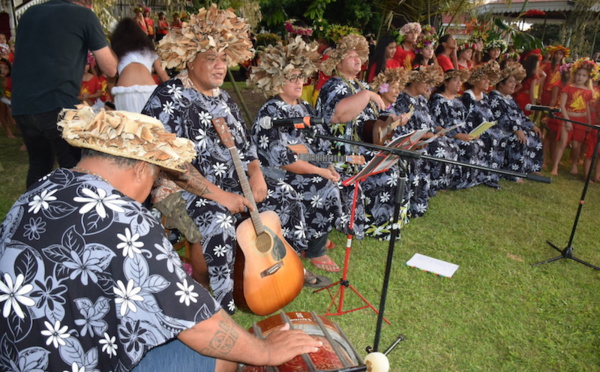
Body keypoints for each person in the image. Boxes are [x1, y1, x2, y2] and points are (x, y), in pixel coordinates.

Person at [0, 105, 322, 372]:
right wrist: (265, 351)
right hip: (81, 362)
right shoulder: (124, 219)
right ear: (142, 169)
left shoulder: (39, 191)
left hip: (18, 355)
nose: (151, 191)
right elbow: (196, 323)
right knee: (223, 356)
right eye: (155, 179)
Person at [142, 5, 307, 313]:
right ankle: (221, 302)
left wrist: (256, 173)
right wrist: (222, 196)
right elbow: (167, 163)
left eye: (223, 59)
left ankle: (282, 270)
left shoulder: (223, 97)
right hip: (182, 188)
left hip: (232, 180)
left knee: (287, 194)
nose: (220, 67)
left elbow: (246, 147)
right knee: (218, 221)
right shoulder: (168, 97)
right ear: (190, 61)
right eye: (210, 58)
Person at [248, 36, 343, 274]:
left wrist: (328, 165)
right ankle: (315, 249)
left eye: (301, 76)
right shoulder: (271, 111)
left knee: (334, 177)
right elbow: (283, 159)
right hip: (278, 173)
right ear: (278, 81)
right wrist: (320, 171)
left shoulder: (304, 107)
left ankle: (315, 235)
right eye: (293, 78)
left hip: (305, 166)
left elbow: (319, 144)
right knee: (322, 184)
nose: (300, 82)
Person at [11, 0, 117, 189]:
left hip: (22, 105)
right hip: (58, 104)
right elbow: (109, 68)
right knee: (75, 169)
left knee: (39, 166)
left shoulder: (30, 13)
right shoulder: (84, 15)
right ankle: (74, 216)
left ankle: (31, 215)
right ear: (89, 4)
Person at [316, 34, 384, 239]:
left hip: (365, 149)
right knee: (384, 177)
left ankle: (384, 223)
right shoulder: (334, 85)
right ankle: (375, 225)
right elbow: (338, 115)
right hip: (339, 153)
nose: (357, 60)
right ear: (338, 62)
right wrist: (368, 96)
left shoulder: (363, 86)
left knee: (396, 167)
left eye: (359, 56)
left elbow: (375, 120)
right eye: (350, 56)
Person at [429, 68, 488, 189]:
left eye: (460, 81)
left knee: (479, 143)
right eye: (455, 80)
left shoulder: (458, 101)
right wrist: (457, 135)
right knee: (468, 146)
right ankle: (453, 180)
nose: (459, 83)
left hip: (463, 134)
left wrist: (473, 133)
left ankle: (470, 179)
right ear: (446, 82)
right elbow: (435, 124)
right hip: (447, 135)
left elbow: (465, 121)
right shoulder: (438, 100)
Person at [489, 62, 544, 181]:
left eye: (514, 82)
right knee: (518, 139)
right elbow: (501, 119)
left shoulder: (510, 99)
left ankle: (530, 168)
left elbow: (520, 115)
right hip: (503, 130)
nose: (514, 85)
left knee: (534, 134)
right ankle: (514, 173)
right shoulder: (495, 98)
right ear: (501, 84)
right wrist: (516, 130)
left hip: (516, 128)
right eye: (510, 82)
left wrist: (531, 125)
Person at [550, 57, 598, 176]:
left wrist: (588, 122)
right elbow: (562, 105)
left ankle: (574, 164)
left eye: (583, 75)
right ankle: (555, 167)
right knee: (563, 142)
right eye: (578, 74)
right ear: (574, 75)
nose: (580, 77)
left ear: (588, 78)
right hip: (568, 117)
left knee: (577, 145)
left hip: (581, 119)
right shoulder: (569, 87)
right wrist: (567, 121)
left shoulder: (589, 91)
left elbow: (586, 106)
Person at [110, 17, 169, 113]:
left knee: (128, 126)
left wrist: (114, 98)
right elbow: (164, 77)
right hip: (149, 92)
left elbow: (110, 79)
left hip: (123, 92)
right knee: (151, 127)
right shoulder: (149, 51)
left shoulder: (116, 51)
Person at [461, 61, 504, 188]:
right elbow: (467, 118)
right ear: (475, 80)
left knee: (500, 136)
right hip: (475, 130)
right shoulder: (468, 96)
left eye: (488, 80)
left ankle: (492, 175)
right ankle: (481, 175)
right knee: (490, 138)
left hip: (487, 128)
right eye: (484, 79)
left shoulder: (485, 97)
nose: (487, 82)